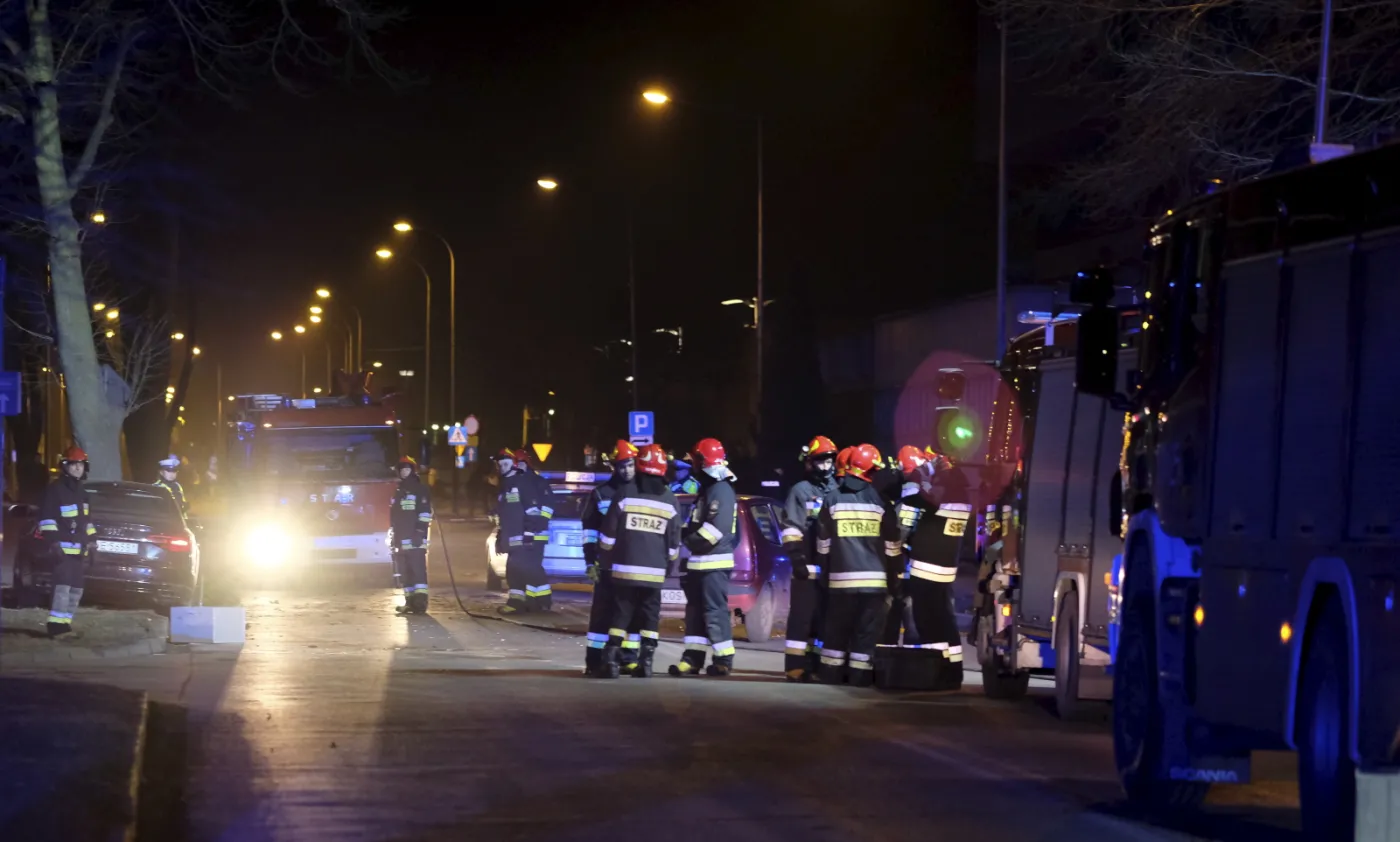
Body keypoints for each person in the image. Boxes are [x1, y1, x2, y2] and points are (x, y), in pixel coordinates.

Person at [881, 448, 966, 689]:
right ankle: (953, 671)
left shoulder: (932, 500)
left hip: (925, 569)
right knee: (945, 621)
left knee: (927, 622)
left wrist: (918, 474)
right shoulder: (962, 500)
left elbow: (908, 510)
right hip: (946, 570)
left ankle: (935, 674)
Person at [597, 444, 682, 678]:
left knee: (621, 613)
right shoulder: (670, 499)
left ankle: (611, 661)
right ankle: (646, 662)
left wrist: (605, 558)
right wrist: (669, 566)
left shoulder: (625, 493)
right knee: (650, 616)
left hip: (624, 570)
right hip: (655, 573)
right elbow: (674, 542)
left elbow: (608, 534)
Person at [815, 443, 896, 687]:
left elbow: (823, 543)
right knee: (865, 633)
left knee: (837, 631)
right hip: (874, 584)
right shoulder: (881, 502)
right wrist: (895, 577)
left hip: (840, 581)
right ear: (871, 471)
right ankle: (859, 678)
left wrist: (825, 571)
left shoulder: (832, 499)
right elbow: (892, 546)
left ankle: (831, 674)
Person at [669, 437, 739, 677]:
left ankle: (723, 660)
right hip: (699, 563)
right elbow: (696, 523)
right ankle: (692, 659)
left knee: (714, 612)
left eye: (695, 461)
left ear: (703, 461)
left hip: (713, 563)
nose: (693, 466)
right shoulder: (708, 490)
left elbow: (714, 531)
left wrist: (688, 539)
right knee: (695, 614)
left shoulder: (721, 490)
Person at [778, 435, 838, 681]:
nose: (825, 466)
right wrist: (797, 559)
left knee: (823, 619)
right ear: (810, 463)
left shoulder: (837, 490)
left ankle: (815, 664)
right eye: (820, 461)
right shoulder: (801, 491)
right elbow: (791, 528)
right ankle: (795, 666)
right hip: (806, 566)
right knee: (801, 618)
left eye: (829, 461)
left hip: (830, 567)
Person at [581, 440, 639, 676]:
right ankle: (595, 661)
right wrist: (589, 561)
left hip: (633, 565)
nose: (626, 470)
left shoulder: (642, 492)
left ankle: (628, 658)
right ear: (614, 467)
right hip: (606, 565)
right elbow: (589, 531)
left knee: (631, 614)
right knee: (602, 615)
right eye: (622, 465)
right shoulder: (600, 494)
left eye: (630, 465)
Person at [38, 446, 96, 636]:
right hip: (62, 550)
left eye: (81, 464)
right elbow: (47, 519)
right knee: (62, 588)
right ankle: (55, 625)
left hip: (79, 550)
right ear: (65, 466)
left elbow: (87, 521)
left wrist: (92, 542)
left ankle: (65, 623)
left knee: (76, 590)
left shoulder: (83, 492)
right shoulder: (55, 490)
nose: (78, 468)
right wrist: (54, 543)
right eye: (74, 464)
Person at [494, 448, 554, 613]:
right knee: (516, 569)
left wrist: (531, 532)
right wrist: (501, 538)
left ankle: (539, 602)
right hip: (517, 537)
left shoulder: (530, 483)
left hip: (531, 535)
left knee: (528, 568)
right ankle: (525, 602)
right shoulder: (507, 485)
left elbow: (536, 510)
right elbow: (505, 515)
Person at [390, 455, 433, 615]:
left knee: (417, 571)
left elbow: (425, 513)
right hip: (401, 540)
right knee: (405, 572)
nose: (404, 472)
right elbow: (395, 517)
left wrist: (420, 532)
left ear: (413, 471)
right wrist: (394, 537)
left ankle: (420, 602)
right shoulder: (399, 491)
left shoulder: (420, 489)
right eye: (401, 469)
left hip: (415, 539)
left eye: (407, 469)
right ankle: (409, 602)